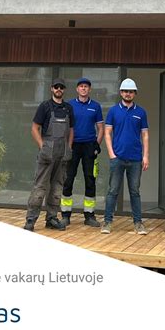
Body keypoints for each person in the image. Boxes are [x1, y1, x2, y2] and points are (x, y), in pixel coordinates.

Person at [23, 78, 74, 232]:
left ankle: (51, 218)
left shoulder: (68, 108)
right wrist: (42, 146)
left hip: (62, 154)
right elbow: (34, 128)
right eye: (56, 87)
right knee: (40, 188)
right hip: (47, 154)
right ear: (52, 89)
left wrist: (69, 147)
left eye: (61, 87)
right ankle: (31, 219)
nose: (59, 89)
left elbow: (71, 130)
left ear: (64, 90)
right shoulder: (44, 106)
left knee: (57, 188)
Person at [101, 78, 149, 235]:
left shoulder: (141, 112)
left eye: (131, 91)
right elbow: (107, 133)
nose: (128, 94)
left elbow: (145, 135)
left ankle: (138, 223)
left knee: (135, 192)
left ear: (135, 93)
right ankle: (107, 222)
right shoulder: (113, 111)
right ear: (121, 93)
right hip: (118, 158)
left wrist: (145, 156)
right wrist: (111, 154)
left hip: (135, 159)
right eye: (125, 91)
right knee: (113, 191)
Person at [60, 77, 104, 227]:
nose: (83, 88)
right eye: (81, 86)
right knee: (68, 179)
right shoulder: (69, 105)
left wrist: (96, 145)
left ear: (89, 89)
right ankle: (65, 215)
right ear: (77, 89)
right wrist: (66, 145)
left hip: (89, 146)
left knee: (90, 180)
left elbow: (101, 128)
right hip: (73, 146)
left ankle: (89, 216)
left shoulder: (96, 106)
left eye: (86, 86)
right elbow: (65, 126)